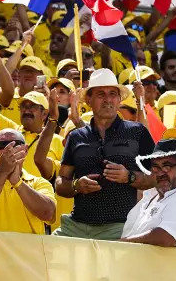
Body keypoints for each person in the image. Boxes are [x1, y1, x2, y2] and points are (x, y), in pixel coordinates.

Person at [55, 69, 156, 240]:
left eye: (113, 94)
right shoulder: (75, 136)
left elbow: (156, 177)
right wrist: (76, 186)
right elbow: (60, 183)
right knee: (47, 253)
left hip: (119, 227)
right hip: (76, 226)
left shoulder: (137, 133)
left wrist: (129, 177)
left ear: (119, 99)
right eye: (101, 94)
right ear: (89, 100)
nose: (108, 99)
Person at [120, 138, 176, 248]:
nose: (160, 173)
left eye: (167, 166)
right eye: (155, 167)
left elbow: (166, 237)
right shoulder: (150, 197)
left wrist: (121, 244)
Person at [0, 128, 56, 234]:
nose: (9, 149)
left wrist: (18, 182)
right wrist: (2, 172)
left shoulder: (39, 183)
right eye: (2, 145)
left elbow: (48, 213)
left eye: (15, 144)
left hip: (29, 251)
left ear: (25, 150)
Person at [16, 91, 64, 177]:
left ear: (44, 114)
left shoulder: (58, 141)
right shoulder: (12, 135)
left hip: (43, 190)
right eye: (23, 107)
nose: (26, 111)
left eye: (32, 107)